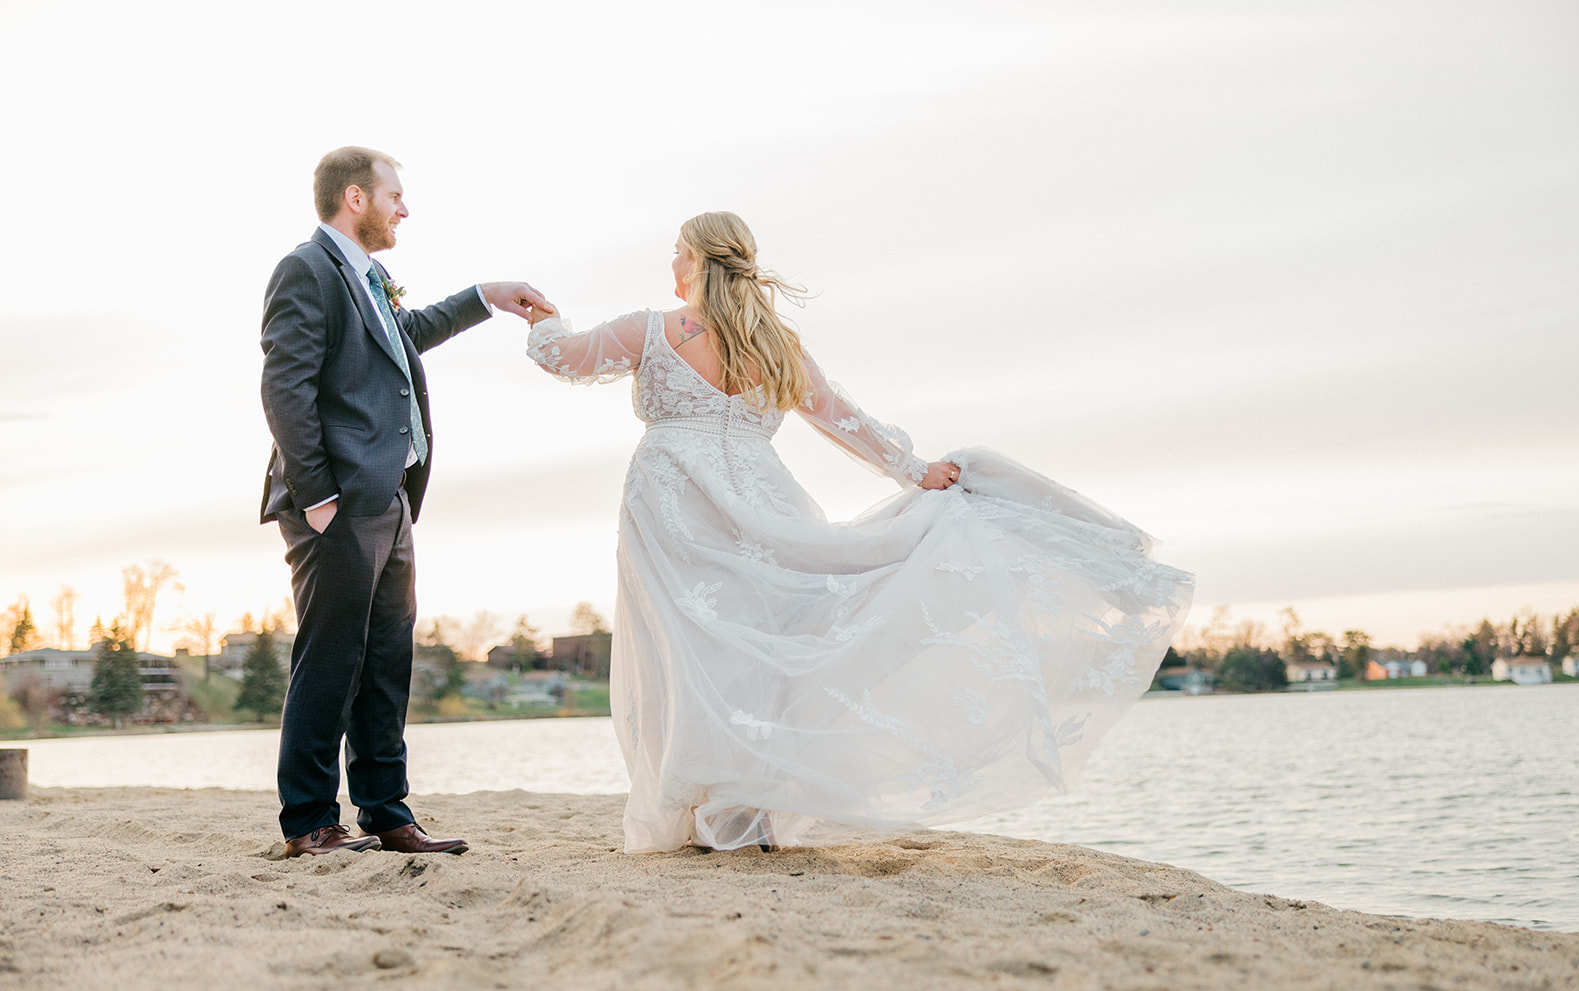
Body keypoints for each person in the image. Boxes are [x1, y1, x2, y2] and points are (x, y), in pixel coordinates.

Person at [525, 211, 1193, 853]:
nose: (670, 259)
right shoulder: (775, 344)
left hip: (672, 502)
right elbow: (843, 419)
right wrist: (912, 469)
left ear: (698, 257)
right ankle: (744, 807)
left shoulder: (648, 328)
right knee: (767, 640)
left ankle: (711, 803)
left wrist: (540, 315)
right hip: (759, 500)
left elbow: (563, 357)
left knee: (690, 645)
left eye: (677, 247)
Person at [260, 146, 552, 858]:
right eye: (395, 195)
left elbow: (406, 334)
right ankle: (307, 824)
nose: (404, 208)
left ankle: (386, 812)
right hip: (335, 503)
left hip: (389, 498)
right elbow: (284, 389)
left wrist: (486, 295)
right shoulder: (306, 270)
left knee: (388, 660)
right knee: (331, 658)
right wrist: (320, 496)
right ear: (355, 198)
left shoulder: (371, 275)